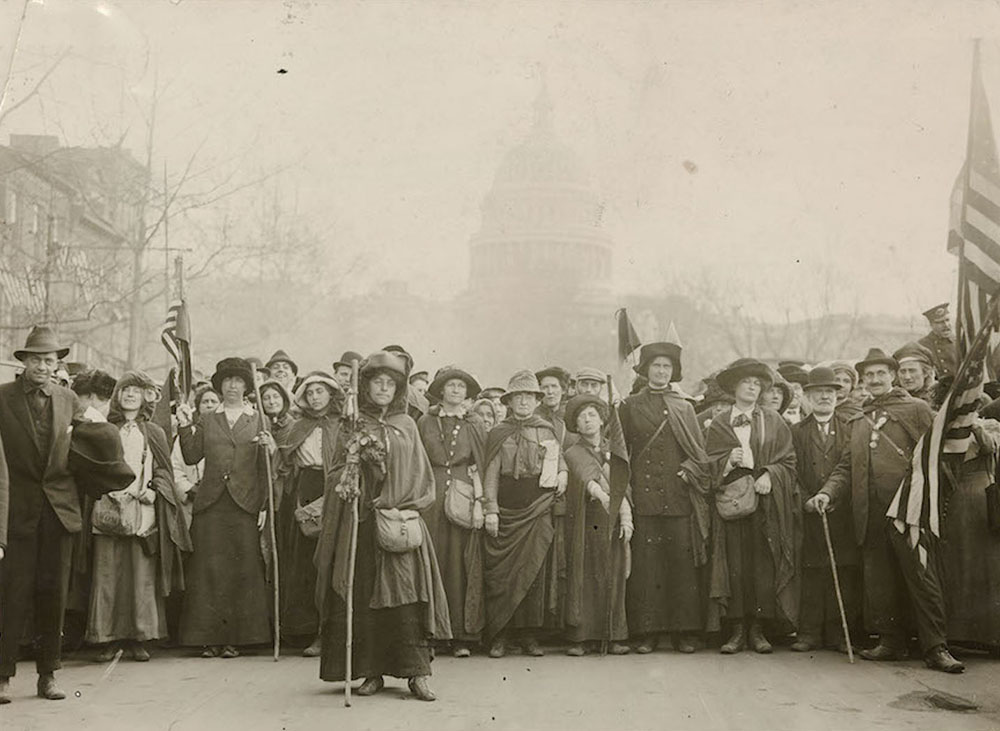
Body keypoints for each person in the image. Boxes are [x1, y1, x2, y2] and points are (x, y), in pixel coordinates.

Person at [806, 348, 963, 673]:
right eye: (869, 375)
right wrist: (826, 493)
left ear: (892, 376)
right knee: (880, 580)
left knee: (921, 578)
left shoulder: (917, 409)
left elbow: (939, 452)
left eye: (881, 373)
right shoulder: (859, 418)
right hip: (870, 513)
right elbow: (846, 466)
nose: (875, 380)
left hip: (908, 511)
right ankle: (891, 641)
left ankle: (936, 647)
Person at [315, 350, 449, 702]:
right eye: (378, 382)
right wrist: (352, 473)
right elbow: (333, 474)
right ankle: (371, 671)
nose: (384, 389)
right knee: (365, 598)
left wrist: (395, 496)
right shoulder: (353, 425)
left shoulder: (407, 425)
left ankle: (417, 673)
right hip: (361, 524)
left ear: (398, 389)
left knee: (407, 597)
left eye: (391, 384)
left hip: (396, 521)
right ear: (367, 386)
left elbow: (421, 476)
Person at [0, 326, 87, 702]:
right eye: (36, 359)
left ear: (57, 364)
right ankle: (2, 676)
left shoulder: (69, 400)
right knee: (11, 595)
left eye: (49, 360)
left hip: (59, 512)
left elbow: (93, 447)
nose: (43, 365)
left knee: (54, 595)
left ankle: (48, 675)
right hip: (15, 513)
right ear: (23, 362)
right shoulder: (2, 398)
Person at [86, 371, 191, 662]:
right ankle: (108, 637)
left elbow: (164, 472)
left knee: (140, 575)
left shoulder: (154, 432)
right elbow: (92, 466)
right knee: (107, 574)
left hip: (141, 511)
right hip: (107, 508)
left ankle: (139, 637)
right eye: (125, 390)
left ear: (146, 396)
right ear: (117, 397)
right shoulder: (105, 428)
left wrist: (155, 492)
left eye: (136, 391)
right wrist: (103, 490)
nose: (130, 395)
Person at [176, 357, 274, 659]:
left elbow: (264, 470)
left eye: (239, 381)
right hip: (211, 504)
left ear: (247, 386)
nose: (232, 386)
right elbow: (192, 457)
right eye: (227, 381)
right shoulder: (207, 419)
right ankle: (208, 638)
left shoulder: (258, 419)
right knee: (209, 571)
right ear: (220, 386)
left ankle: (238, 639)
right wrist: (183, 427)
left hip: (244, 504)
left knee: (242, 570)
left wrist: (264, 505)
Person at [618, 341, 711, 654]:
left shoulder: (684, 406)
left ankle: (684, 632)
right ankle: (647, 632)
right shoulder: (629, 406)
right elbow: (621, 451)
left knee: (681, 566)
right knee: (647, 568)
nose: (660, 371)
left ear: (673, 372)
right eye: (656, 366)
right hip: (644, 500)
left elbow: (699, 453)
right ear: (645, 370)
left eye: (666, 367)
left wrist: (687, 471)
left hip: (677, 498)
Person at [705, 358, 800, 655]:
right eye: (746, 382)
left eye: (757, 384)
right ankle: (736, 629)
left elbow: (789, 460)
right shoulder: (720, 422)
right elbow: (706, 463)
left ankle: (758, 629)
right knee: (733, 562)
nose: (752, 387)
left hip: (764, 501)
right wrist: (725, 462)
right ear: (734, 387)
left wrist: (770, 474)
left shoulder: (773, 420)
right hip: (731, 500)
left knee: (761, 562)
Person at [482, 370, 567, 658]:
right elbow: (490, 473)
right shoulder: (497, 432)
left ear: (536, 400)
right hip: (506, 509)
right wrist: (490, 509)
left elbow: (560, 461)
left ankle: (529, 634)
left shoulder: (546, 429)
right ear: (509, 401)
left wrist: (564, 473)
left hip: (538, 507)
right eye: (518, 396)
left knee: (534, 572)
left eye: (529, 397)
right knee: (501, 575)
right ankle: (500, 635)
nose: (523, 402)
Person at [417, 366, 487, 657]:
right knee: (431, 562)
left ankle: (460, 635)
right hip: (430, 499)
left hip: (462, 498)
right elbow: (416, 460)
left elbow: (482, 464)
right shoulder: (425, 422)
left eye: (461, 387)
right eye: (451, 386)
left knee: (460, 564)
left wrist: (481, 503)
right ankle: (431, 634)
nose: (456, 391)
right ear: (441, 391)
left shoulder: (475, 423)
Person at [789, 367, 860, 653]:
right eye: (818, 392)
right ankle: (808, 633)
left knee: (842, 570)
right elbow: (790, 470)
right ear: (807, 396)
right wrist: (806, 499)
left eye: (829, 392)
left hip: (841, 512)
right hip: (807, 512)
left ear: (837, 396)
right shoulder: (795, 431)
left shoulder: (850, 427)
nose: (824, 397)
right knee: (812, 571)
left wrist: (832, 497)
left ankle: (839, 634)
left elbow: (851, 468)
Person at [562, 394, 633, 656]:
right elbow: (587, 479)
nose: (588, 420)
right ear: (576, 426)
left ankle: (614, 635)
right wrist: (605, 497)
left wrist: (626, 517)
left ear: (602, 419)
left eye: (592, 415)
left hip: (612, 521)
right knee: (586, 576)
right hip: (587, 520)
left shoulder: (613, 449)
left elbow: (624, 485)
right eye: (582, 417)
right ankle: (581, 637)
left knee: (614, 575)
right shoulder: (573, 451)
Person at [275, 373, 339, 656]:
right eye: (310, 392)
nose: (315, 397)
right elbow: (284, 461)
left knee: (332, 563)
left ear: (330, 394)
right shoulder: (298, 426)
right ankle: (309, 630)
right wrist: (273, 453)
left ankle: (333, 632)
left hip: (335, 491)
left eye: (320, 391)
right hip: (305, 491)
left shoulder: (342, 425)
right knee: (306, 565)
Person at [918, 303, 958, 380]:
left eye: (947, 320)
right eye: (940, 322)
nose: (946, 325)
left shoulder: (960, 343)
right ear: (931, 325)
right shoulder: (921, 346)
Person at [536, 366, 571, 441]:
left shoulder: (570, 415)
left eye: (554, 386)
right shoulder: (533, 416)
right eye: (545, 387)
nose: (550, 392)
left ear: (563, 390)